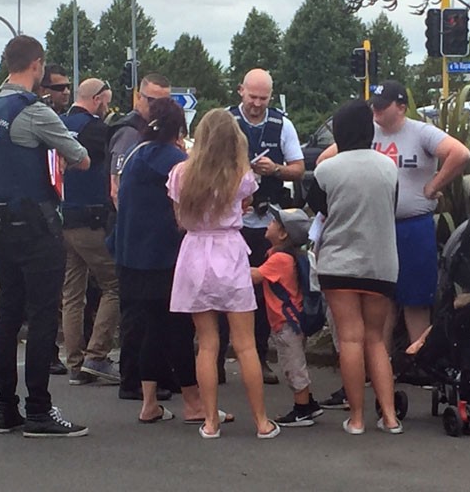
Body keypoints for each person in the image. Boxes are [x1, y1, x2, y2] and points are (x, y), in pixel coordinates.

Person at [316, 80, 470, 410]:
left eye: (383, 105)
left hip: (413, 225)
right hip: (378, 228)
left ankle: (424, 367)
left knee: (416, 301)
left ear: (401, 107)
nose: (376, 111)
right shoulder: (365, 133)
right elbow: (327, 159)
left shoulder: (420, 132)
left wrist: (433, 186)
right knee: (380, 306)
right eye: (373, 105)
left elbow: (460, 153)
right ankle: (374, 373)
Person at [0, 35, 90, 437]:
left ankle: (5, 408)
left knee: (8, 315)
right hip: (36, 225)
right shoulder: (34, 111)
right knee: (42, 316)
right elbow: (80, 157)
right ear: (36, 65)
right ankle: (39, 409)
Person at [169, 108, 280, 440]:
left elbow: (179, 219)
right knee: (245, 345)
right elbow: (243, 205)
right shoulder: (241, 176)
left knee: (206, 344)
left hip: (193, 253)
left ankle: (210, 422)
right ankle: (261, 421)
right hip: (229, 251)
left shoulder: (180, 173)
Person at [110, 97, 211, 424]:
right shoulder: (175, 160)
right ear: (179, 128)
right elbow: (201, 196)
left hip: (128, 254)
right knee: (178, 328)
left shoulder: (137, 154)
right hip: (161, 256)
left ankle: (149, 402)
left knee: (151, 327)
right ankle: (195, 404)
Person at [307, 99, 402, 435]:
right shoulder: (389, 167)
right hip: (381, 263)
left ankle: (357, 418)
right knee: (376, 339)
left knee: (350, 339)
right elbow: (392, 206)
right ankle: (389, 417)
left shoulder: (326, 170)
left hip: (339, 263)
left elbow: (320, 209)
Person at [225, 68, 305, 386]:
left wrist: (276, 170)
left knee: (260, 293)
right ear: (240, 91)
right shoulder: (226, 122)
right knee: (223, 289)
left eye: (263, 98)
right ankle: (215, 360)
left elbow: (299, 170)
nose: (257, 104)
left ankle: (259, 358)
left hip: (266, 222)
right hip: (230, 222)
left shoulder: (282, 124)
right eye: (252, 96)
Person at [107, 73, 173, 401]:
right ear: (139, 98)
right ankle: (132, 378)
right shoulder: (129, 135)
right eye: (153, 101)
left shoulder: (153, 141)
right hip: (137, 242)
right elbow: (116, 189)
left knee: (146, 313)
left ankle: (146, 377)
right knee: (139, 314)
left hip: (138, 241)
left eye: (165, 102)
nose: (158, 108)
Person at [59, 78, 121, 386]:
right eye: (106, 102)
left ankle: (74, 362)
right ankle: (96, 356)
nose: (107, 107)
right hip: (91, 220)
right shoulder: (96, 129)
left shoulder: (59, 123)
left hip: (64, 217)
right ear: (96, 99)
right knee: (115, 284)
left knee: (73, 292)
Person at [251, 205, 324, 427]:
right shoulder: (283, 255)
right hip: (290, 320)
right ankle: (308, 403)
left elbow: (256, 276)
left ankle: (302, 408)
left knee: (293, 365)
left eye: (274, 222)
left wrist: (231, 268)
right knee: (293, 361)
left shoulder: (280, 259)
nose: (269, 223)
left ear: (283, 234)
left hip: (286, 322)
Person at [39, 62, 72, 376]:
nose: (65, 92)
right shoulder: (42, 118)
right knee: (47, 292)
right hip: (45, 213)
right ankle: (47, 353)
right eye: (59, 87)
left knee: (64, 290)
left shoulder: (63, 120)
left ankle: (53, 351)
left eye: (67, 87)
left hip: (61, 210)